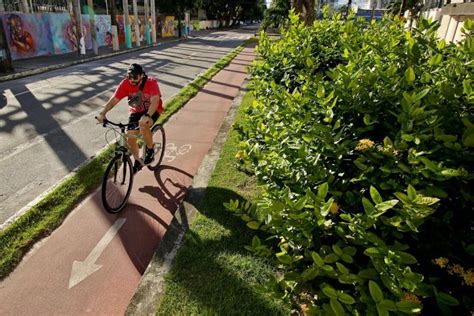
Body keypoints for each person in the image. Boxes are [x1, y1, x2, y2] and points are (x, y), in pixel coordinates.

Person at [96, 63, 163, 172]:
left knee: (143, 125)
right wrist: (103, 113)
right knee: (130, 138)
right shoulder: (125, 83)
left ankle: (150, 150)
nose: (131, 80)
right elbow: (114, 99)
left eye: (134, 77)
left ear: (141, 75)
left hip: (152, 110)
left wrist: (147, 115)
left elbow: (155, 101)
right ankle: (137, 160)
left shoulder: (151, 82)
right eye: (129, 76)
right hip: (136, 111)